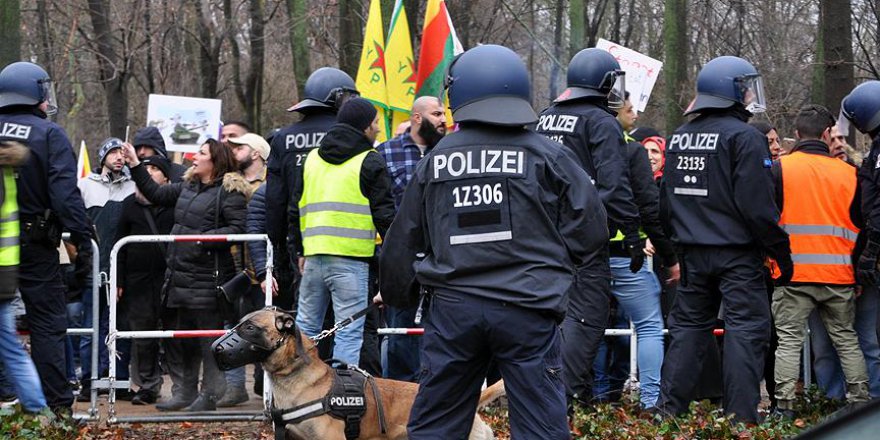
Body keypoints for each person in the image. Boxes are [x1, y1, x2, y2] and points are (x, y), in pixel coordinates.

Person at [379, 44, 608, 439]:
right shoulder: (548, 155)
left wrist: (399, 295)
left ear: (458, 94)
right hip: (528, 308)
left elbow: (402, 239)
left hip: (454, 314)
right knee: (540, 423)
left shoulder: (434, 161)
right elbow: (592, 229)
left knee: (438, 423)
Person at [656, 56, 792, 424]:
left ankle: (667, 414)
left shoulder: (681, 136)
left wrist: (678, 247)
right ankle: (740, 418)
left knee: (687, 331)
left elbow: (665, 202)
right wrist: (781, 252)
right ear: (732, 90)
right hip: (738, 256)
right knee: (746, 333)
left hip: (694, 255)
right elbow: (758, 207)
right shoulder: (745, 137)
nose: (749, 95)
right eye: (745, 87)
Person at [536, 47, 641, 408]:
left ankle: (549, 400)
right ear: (604, 83)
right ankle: (560, 404)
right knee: (587, 318)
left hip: (542, 240)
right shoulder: (601, 122)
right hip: (582, 244)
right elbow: (614, 186)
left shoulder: (547, 116)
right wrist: (630, 232)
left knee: (549, 322)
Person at [122, 138, 248, 411]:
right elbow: (155, 193)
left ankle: (210, 396)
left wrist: (202, 239)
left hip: (208, 279)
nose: (194, 157)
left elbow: (239, 228)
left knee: (209, 341)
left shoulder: (230, 192)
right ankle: (184, 392)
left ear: (215, 161)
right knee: (182, 341)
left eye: (201, 153)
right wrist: (134, 164)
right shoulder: (187, 186)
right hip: (179, 276)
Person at [0, 61, 93, 413]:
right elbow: (65, 196)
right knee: (48, 327)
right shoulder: (48, 133)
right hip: (36, 246)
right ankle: (55, 409)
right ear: (35, 92)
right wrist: (82, 240)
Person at [767, 104, 868, 417]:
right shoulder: (850, 174)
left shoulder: (780, 169)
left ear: (796, 135)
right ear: (827, 134)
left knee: (788, 342)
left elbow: (767, 220)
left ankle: (784, 407)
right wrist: (857, 273)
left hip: (793, 274)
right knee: (847, 340)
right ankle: (860, 402)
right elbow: (861, 225)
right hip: (839, 274)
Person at [289, 97, 394, 366]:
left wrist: (299, 251)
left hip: (312, 259)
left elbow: (295, 207)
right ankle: (344, 400)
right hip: (352, 262)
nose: (378, 129)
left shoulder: (312, 159)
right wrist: (395, 260)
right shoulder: (370, 160)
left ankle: (299, 393)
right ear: (365, 127)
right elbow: (385, 217)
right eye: (375, 123)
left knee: (306, 330)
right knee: (348, 333)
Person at [266, 68, 358, 314]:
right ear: (338, 97)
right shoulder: (353, 137)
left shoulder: (282, 139)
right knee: (350, 320)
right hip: (350, 244)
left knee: (308, 318)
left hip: (302, 247)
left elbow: (274, 201)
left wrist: (280, 247)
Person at [375, 95, 446, 382]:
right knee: (400, 330)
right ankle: (401, 395)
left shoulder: (450, 151)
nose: (443, 119)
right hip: (401, 255)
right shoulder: (385, 153)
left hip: (443, 253)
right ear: (417, 118)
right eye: (437, 113)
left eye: (444, 113)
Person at [76, 137, 136, 400]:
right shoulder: (85, 186)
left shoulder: (132, 186)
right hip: (93, 267)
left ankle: (120, 380)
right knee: (92, 327)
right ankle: (89, 381)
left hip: (122, 269)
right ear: (102, 157)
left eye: (122, 153)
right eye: (113, 152)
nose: (119, 157)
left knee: (121, 327)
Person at [114, 156, 174, 406]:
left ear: (167, 179)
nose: (148, 173)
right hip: (137, 282)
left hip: (172, 280)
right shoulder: (129, 205)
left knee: (175, 335)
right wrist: (118, 280)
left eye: (154, 169)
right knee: (142, 336)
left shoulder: (175, 204)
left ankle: (183, 386)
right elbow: (119, 247)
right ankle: (147, 386)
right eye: (144, 167)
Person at [217, 132, 269, 407]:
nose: (234, 151)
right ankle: (235, 387)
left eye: (241, 147)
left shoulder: (273, 183)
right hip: (233, 266)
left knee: (265, 328)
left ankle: (265, 383)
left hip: (264, 269)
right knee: (232, 328)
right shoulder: (226, 183)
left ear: (257, 153)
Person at [0, 140, 49, 414]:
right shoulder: (6, 165)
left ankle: (37, 408)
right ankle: (37, 409)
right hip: (5, 272)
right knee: (10, 348)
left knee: (10, 348)